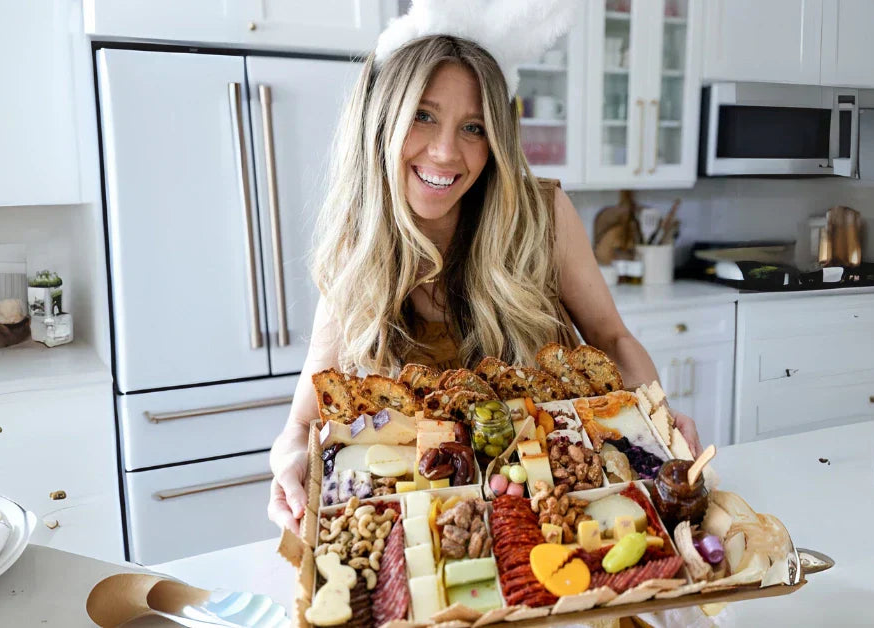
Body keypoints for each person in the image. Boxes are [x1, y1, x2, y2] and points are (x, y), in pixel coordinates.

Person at [267, 31, 702, 535]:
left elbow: (611, 338)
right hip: (433, 531)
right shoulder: (357, 252)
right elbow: (302, 425)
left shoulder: (541, 217)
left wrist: (659, 419)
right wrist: (290, 465)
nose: (446, 151)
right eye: (423, 116)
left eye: (473, 127)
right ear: (382, 121)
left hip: (554, 518)